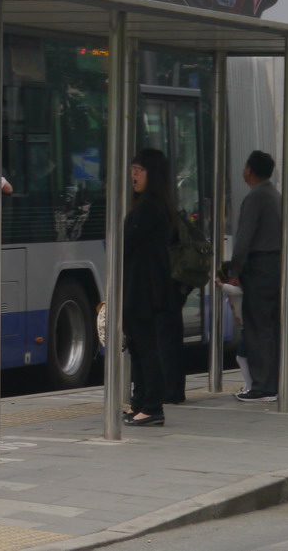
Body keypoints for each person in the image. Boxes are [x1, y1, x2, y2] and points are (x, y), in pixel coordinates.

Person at [122, 148, 177, 427]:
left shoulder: (149, 206)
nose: (133, 174)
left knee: (145, 346)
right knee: (138, 345)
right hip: (144, 284)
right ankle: (140, 403)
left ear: (152, 174)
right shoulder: (153, 203)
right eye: (132, 168)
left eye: (139, 169)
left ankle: (152, 406)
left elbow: (126, 242)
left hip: (145, 286)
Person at [228, 151, 281, 402]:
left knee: (258, 327)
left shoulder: (256, 197)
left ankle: (263, 386)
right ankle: (274, 381)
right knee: (270, 326)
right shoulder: (275, 195)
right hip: (276, 266)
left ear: (249, 170)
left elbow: (244, 237)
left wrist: (234, 269)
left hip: (259, 267)